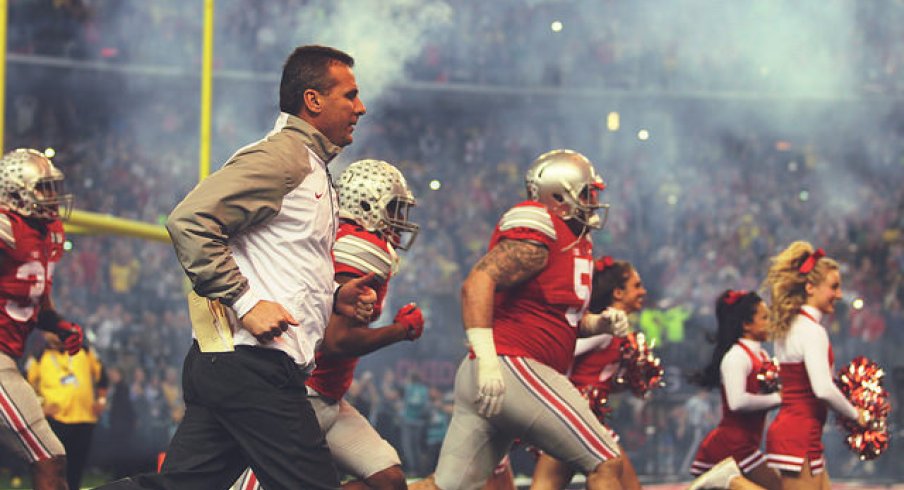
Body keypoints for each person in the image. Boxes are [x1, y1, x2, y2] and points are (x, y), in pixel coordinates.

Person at [99, 45, 375, 490]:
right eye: (350, 95)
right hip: (254, 364)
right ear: (313, 100)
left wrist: (336, 294)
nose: (360, 108)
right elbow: (188, 221)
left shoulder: (310, 165)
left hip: (233, 364)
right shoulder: (282, 158)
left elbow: (280, 257)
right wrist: (246, 302)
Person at [414, 149, 630, 490]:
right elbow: (477, 283)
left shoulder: (575, 242)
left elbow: (562, 317)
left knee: (442, 486)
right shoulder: (538, 225)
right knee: (606, 461)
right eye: (588, 192)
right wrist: (487, 359)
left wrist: (601, 323)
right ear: (559, 194)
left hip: (500, 373)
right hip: (512, 367)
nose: (594, 201)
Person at [234, 159, 425, 490]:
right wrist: (401, 331)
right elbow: (337, 341)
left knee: (389, 481)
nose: (399, 218)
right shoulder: (363, 246)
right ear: (367, 203)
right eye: (393, 206)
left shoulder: (337, 234)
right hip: (304, 394)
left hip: (327, 396)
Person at [0, 148, 81, 490]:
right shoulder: (5, 226)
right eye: (45, 188)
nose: (54, 196)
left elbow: (36, 301)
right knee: (49, 455)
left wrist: (59, 325)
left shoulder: (49, 233)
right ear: (16, 190)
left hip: (9, 358)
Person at [530, 257, 646, 490]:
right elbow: (561, 350)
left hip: (586, 417)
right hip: (576, 415)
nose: (643, 291)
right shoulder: (604, 326)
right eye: (636, 285)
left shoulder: (616, 328)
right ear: (618, 293)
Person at [763, 242, 867, 489]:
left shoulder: (791, 326)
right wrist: (856, 414)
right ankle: (732, 483)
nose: (839, 295)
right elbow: (822, 388)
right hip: (798, 438)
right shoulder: (812, 331)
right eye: (834, 287)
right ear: (810, 287)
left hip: (801, 435)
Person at [686, 290, 781, 490]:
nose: (770, 322)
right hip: (733, 444)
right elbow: (737, 402)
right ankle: (724, 478)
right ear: (746, 324)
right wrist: (779, 398)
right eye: (764, 317)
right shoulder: (737, 356)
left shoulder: (762, 355)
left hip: (747, 443)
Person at [28, 330, 108, 490]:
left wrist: (101, 400)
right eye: (51, 332)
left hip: (84, 418)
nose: (56, 335)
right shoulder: (39, 356)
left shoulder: (83, 350)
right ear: (45, 335)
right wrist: (41, 406)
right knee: (54, 467)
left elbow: (102, 375)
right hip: (56, 420)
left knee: (77, 467)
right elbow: (25, 385)